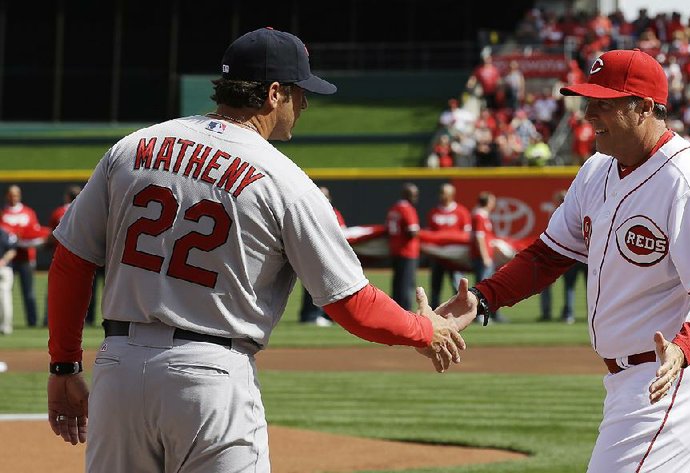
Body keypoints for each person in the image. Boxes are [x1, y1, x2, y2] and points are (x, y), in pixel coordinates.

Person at [45, 28, 470, 472]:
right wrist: (425, 330)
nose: (303, 104)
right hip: (209, 375)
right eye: (299, 93)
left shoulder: (133, 148)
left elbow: (71, 262)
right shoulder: (284, 181)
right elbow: (353, 305)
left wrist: (62, 366)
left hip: (118, 368)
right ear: (273, 94)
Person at [438, 49, 690, 471]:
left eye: (603, 103)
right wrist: (482, 298)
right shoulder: (596, 170)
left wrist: (685, 348)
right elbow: (547, 255)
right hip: (629, 380)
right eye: (588, 101)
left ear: (644, 108)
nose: (589, 114)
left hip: (670, 380)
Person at [44, 185, 103, 327]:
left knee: (60, 291)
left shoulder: (59, 212)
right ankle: (105, 321)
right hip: (93, 255)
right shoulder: (91, 210)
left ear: (66, 197)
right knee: (100, 291)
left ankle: (52, 320)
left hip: (66, 257)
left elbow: (53, 235)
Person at [298, 186, 343, 326]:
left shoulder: (332, 212)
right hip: (313, 254)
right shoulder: (310, 212)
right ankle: (312, 316)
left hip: (324, 255)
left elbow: (343, 233)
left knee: (323, 286)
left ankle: (314, 316)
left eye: (326, 196)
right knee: (315, 286)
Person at [539, 189, 586, 324]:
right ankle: (578, 314)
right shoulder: (581, 210)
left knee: (570, 286)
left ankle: (569, 314)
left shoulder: (558, 214)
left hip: (571, 254)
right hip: (583, 255)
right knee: (583, 287)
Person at [1, 184, 41, 327]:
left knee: (29, 292)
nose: (14, 197)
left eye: (16, 194)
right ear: (7, 196)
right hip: (8, 260)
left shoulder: (28, 212)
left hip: (26, 257)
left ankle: (32, 322)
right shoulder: (3, 213)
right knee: (5, 293)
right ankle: (6, 323)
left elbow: (35, 233)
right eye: (11, 194)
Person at [426, 183, 471, 308]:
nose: (441, 196)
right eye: (440, 193)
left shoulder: (461, 212)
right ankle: (434, 311)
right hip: (438, 256)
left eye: (444, 193)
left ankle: (461, 309)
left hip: (454, 257)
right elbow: (429, 235)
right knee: (435, 286)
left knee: (458, 285)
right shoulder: (434, 212)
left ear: (451, 195)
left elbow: (466, 234)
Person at [470, 191, 507, 323]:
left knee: (489, 287)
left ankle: (489, 314)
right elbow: (479, 238)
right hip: (482, 258)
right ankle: (480, 315)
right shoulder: (479, 216)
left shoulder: (483, 216)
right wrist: (485, 256)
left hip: (487, 257)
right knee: (483, 288)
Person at [386, 182, 420, 310]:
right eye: (414, 194)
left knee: (398, 284)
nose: (416, 197)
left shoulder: (394, 208)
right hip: (408, 251)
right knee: (406, 285)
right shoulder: (407, 209)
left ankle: (396, 311)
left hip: (395, 250)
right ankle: (406, 313)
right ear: (407, 195)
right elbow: (413, 231)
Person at [0, 226, 17, 335]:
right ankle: (6, 327)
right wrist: (3, 261)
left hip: (3, 269)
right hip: (4, 268)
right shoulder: (4, 233)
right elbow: (12, 250)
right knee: (5, 298)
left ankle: (5, 326)